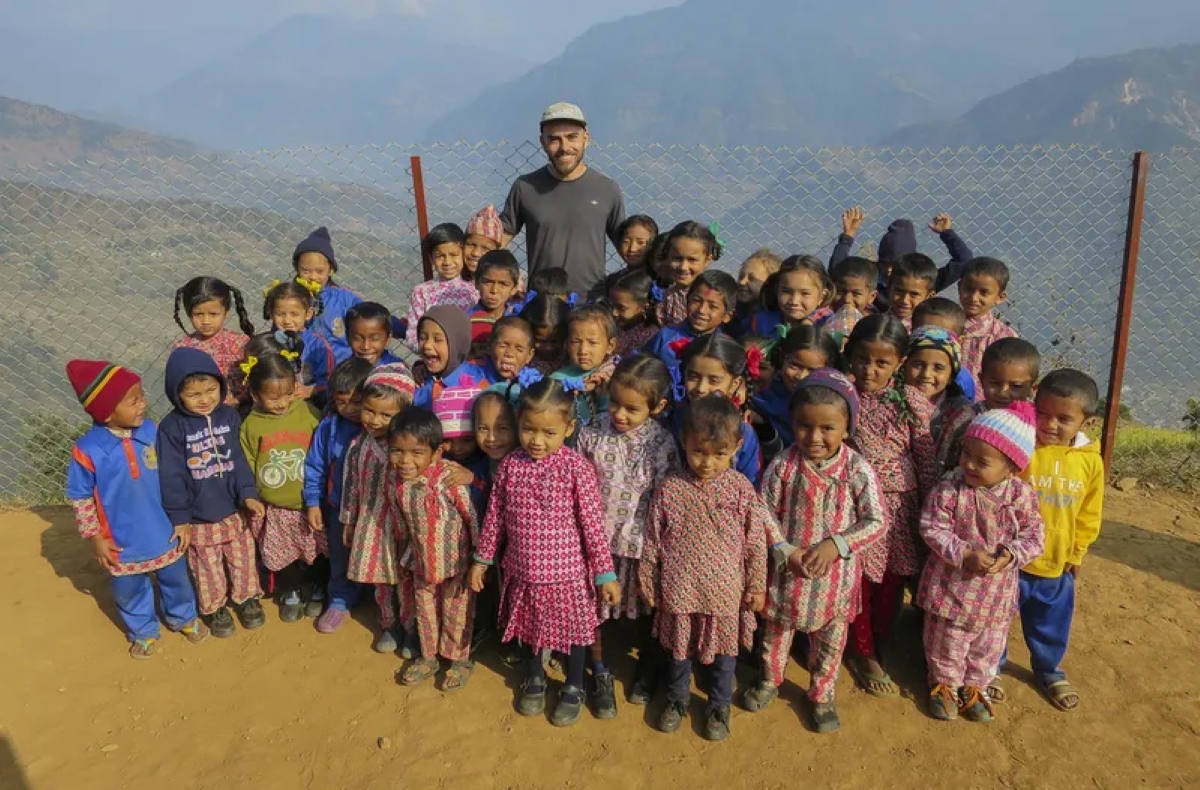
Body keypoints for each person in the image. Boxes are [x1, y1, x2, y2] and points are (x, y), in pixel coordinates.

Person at [469, 380, 621, 728]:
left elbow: (593, 526)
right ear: (519, 421)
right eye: (528, 430)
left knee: (576, 631)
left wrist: (605, 573)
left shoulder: (576, 468)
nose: (536, 441)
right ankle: (534, 677)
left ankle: (574, 684)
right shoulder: (510, 466)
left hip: (568, 575)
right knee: (531, 629)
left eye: (548, 432)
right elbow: (495, 518)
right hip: (523, 571)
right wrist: (481, 559)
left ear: (568, 429)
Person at [746, 369, 885, 733]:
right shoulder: (784, 465)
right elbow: (763, 511)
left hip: (835, 579)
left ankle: (822, 695)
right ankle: (769, 681)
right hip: (788, 571)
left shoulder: (856, 468)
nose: (815, 437)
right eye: (805, 426)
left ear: (847, 428)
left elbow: (875, 520)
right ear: (793, 423)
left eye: (828, 428)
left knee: (830, 640)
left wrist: (835, 545)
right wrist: (784, 550)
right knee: (776, 631)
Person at [639, 394, 772, 741]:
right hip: (679, 590)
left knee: (725, 658)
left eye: (719, 454)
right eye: (699, 451)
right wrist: (648, 581)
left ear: (736, 447)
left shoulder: (741, 489)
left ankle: (718, 705)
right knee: (678, 652)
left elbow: (756, 542)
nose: (707, 463)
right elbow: (652, 539)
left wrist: (756, 586)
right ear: (684, 441)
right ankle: (676, 699)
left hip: (726, 594)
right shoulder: (670, 489)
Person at [65, 359, 210, 658]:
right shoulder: (87, 451)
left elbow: (175, 476)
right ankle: (143, 630)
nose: (142, 404)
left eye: (141, 396)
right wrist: (95, 537)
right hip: (121, 542)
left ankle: (183, 617)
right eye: (134, 401)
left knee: (176, 579)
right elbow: (80, 499)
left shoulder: (152, 433)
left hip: (164, 531)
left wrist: (182, 519)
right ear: (106, 412)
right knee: (129, 590)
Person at [918, 403, 1044, 722]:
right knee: (946, 639)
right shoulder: (949, 490)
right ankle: (944, 685)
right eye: (966, 453)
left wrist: (1010, 554)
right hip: (951, 587)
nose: (969, 464)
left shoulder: (1022, 496)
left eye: (982, 461)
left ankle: (976, 686)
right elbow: (932, 527)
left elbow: (1035, 535)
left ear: (1012, 468)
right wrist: (964, 554)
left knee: (988, 643)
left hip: (996, 592)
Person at [576, 356, 681, 716]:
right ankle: (600, 668)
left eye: (632, 409)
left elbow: (668, 495)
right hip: (598, 546)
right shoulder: (591, 433)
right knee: (593, 609)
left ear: (658, 407)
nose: (620, 414)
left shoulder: (662, 442)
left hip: (641, 547)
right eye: (616, 403)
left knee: (650, 608)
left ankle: (649, 668)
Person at [843, 315, 938, 698]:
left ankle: (881, 637)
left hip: (900, 506)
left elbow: (926, 457)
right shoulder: (843, 395)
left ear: (899, 363)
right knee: (860, 579)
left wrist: (930, 509)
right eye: (862, 359)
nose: (870, 369)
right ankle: (863, 651)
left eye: (882, 362)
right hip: (854, 503)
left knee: (892, 579)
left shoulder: (913, 401)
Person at [1000, 369, 1105, 712]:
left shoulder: (1091, 463)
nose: (1050, 424)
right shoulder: (1023, 445)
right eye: (1043, 413)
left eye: (1064, 418)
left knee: (1050, 623)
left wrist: (1078, 551)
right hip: (1010, 559)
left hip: (1057, 563)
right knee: (996, 617)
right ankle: (991, 667)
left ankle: (1048, 669)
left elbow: (1090, 512)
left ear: (1085, 423)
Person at [157, 347, 266, 638]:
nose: (204, 399)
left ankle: (246, 598)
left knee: (242, 556)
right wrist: (180, 517)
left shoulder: (229, 417)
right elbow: (171, 475)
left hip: (233, 508)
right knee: (207, 566)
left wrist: (248, 493)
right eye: (194, 395)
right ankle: (215, 607)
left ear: (221, 385)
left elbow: (240, 460)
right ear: (176, 394)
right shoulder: (171, 428)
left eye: (210, 390)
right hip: (199, 515)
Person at [390, 408, 480, 691]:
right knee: (426, 611)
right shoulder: (398, 485)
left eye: (416, 453)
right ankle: (429, 657)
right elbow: (401, 524)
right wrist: (405, 556)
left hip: (457, 564)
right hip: (421, 563)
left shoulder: (449, 478)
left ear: (437, 452)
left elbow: (471, 517)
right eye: (397, 452)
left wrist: (479, 559)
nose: (405, 461)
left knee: (456, 611)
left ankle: (458, 659)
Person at [499, 102, 626, 296]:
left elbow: (628, 248)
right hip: (542, 305)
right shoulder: (525, 187)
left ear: (586, 139)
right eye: (554, 139)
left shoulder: (607, 189)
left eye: (572, 137)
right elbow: (499, 240)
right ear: (542, 142)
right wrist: (507, 281)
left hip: (591, 306)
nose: (564, 147)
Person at [239, 353, 325, 623]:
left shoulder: (307, 411)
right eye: (273, 398)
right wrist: (252, 496)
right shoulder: (251, 425)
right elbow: (248, 463)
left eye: (287, 394)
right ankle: (290, 591)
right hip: (277, 507)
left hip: (310, 503)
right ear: (255, 395)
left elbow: (322, 448)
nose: (282, 403)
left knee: (318, 549)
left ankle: (317, 585)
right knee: (282, 553)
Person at [341, 363, 418, 655]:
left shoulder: (407, 448)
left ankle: (411, 629)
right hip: (372, 524)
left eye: (386, 415)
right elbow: (352, 486)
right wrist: (348, 520)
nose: (375, 420)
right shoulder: (358, 445)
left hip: (405, 526)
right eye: (369, 410)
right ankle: (389, 624)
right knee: (381, 580)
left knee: (406, 579)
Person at [305, 357, 374, 633]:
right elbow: (315, 465)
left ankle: (386, 606)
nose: (351, 410)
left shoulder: (380, 428)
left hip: (376, 512)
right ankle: (340, 600)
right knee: (339, 556)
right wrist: (313, 501)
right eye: (343, 402)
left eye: (358, 402)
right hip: (339, 509)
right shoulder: (329, 428)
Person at [830, 209, 974, 313]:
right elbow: (838, 271)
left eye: (895, 265)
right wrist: (847, 237)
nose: (889, 270)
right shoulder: (871, 274)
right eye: (885, 264)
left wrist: (947, 233)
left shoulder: (920, 281)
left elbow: (964, 260)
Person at [937, 338, 1041, 471]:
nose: (1003, 392)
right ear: (981, 380)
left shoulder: (1036, 426)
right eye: (995, 383)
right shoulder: (965, 418)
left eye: (1015, 386)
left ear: (1033, 389)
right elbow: (941, 461)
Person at [672, 333, 762, 484]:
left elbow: (750, 485)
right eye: (693, 377)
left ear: (734, 384)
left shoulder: (742, 432)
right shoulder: (673, 419)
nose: (701, 388)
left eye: (713, 380)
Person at [644, 270, 738, 401]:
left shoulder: (725, 349)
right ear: (686, 301)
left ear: (727, 316)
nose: (701, 310)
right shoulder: (665, 337)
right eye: (696, 300)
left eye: (712, 306)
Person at [750, 324, 842, 449]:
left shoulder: (834, 404)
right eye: (795, 365)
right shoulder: (761, 399)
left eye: (812, 370)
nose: (801, 376)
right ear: (783, 359)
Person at [171, 276, 256, 407]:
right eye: (198, 314)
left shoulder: (240, 343)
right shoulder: (183, 349)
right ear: (189, 313)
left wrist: (237, 401)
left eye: (213, 314)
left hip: (241, 411)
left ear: (226, 313)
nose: (206, 321)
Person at [292, 226, 365, 365]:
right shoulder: (290, 300)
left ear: (331, 270)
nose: (313, 277)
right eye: (306, 271)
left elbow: (371, 313)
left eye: (319, 271)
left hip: (343, 367)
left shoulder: (345, 299)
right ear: (297, 269)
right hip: (304, 367)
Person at [405, 223, 480, 349]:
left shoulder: (476, 289)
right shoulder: (422, 292)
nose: (447, 262)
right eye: (440, 256)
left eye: (454, 255)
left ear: (463, 253)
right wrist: (435, 348)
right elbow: (412, 336)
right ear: (431, 258)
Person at [263, 279, 335, 407]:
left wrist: (312, 390)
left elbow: (331, 381)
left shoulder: (318, 346)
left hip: (311, 406)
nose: (287, 320)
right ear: (271, 313)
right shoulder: (266, 343)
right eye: (280, 314)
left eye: (294, 314)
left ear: (308, 314)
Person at [551, 306, 619, 434]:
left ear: (610, 346)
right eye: (576, 341)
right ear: (567, 344)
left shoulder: (616, 375)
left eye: (592, 342)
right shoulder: (557, 380)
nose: (583, 350)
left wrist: (604, 395)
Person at [903, 326, 971, 444]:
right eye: (918, 364)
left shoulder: (960, 411)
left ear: (951, 376)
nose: (926, 374)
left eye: (938, 368)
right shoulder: (891, 398)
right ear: (904, 365)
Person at [742, 255, 834, 338]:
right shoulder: (759, 323)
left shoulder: (827, 324)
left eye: (805, 293)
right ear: (777, 290)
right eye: (786, 292)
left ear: (821, 297)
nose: (794, 301)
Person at [958, 257, 1018, 382]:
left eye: (984, 292)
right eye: (968, 289)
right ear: (960, 287)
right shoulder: (944, 325)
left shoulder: (1003, 336)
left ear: (1000, 297)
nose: (974, 298)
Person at [655, 221, 722, 327]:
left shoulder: (717, 297)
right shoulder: (665, 300)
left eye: (692, 260)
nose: (683, 267)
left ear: (707, 260)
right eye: (677, 258)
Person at [912, 297, 976, 402]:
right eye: (924, 332)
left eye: (941, 336)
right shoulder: (899, 367)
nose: (932, 340)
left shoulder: (962, 380)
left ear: (959, 341)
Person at [413, 306, 472, 408]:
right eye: (422, 338)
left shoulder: (476, 385)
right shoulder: (417, 382)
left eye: (437, 339)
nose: (427, 345)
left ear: (457, 343)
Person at [467, 250, 521, 351]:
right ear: (477, 283)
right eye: (488, 282)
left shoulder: (519, 318)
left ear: (514, 288)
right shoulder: (466, 320)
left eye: (503, 284)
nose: (494, 290)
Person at [607, 267, 660, 357]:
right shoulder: (612, 326)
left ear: (644, 307)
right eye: (611, 305)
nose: (614, 313)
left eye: (621, 308)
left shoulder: (648, 335)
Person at [520, 292, 571, 376]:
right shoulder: (521, 359)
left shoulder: (569, 359)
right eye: (540, 341)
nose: (548, 348)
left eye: (554, 342)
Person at [345, 302, 405, 367]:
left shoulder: (397, 370)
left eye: (374, 339)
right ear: (348, 337)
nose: (366, 347)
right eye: (358, 338)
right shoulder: (344, 370)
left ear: (388, 339)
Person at [736, 248, 783, 320]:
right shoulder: (733, 311)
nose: (742, 282)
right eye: (741, 276)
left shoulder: (775, 319)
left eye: (752, 278)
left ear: (771, 282)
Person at [463, 205, 504, 282]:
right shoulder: (451, 279)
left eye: (485, 248)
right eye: (471, 245)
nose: (475, 253)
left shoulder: (505, 282)